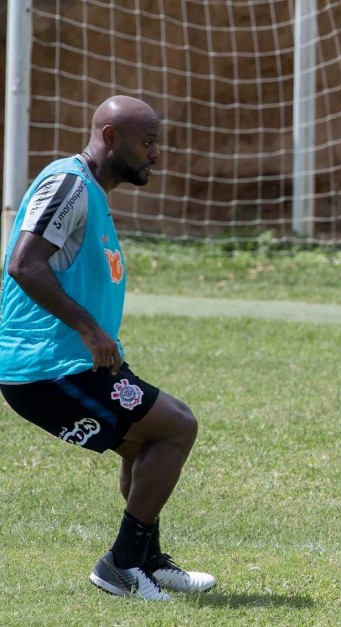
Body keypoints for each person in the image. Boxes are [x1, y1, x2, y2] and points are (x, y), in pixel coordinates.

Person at [0, 96, 216, 600]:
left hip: (72, 361)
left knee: (145, 444)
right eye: (147, 141)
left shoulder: (91, 192)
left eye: (157, 141)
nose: (155, 153)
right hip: (47, 366)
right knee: (178, 426)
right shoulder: (69, 183)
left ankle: (147, 562)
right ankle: (120, 567)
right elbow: (24, 264)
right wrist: (89, 329)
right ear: (111, 137)